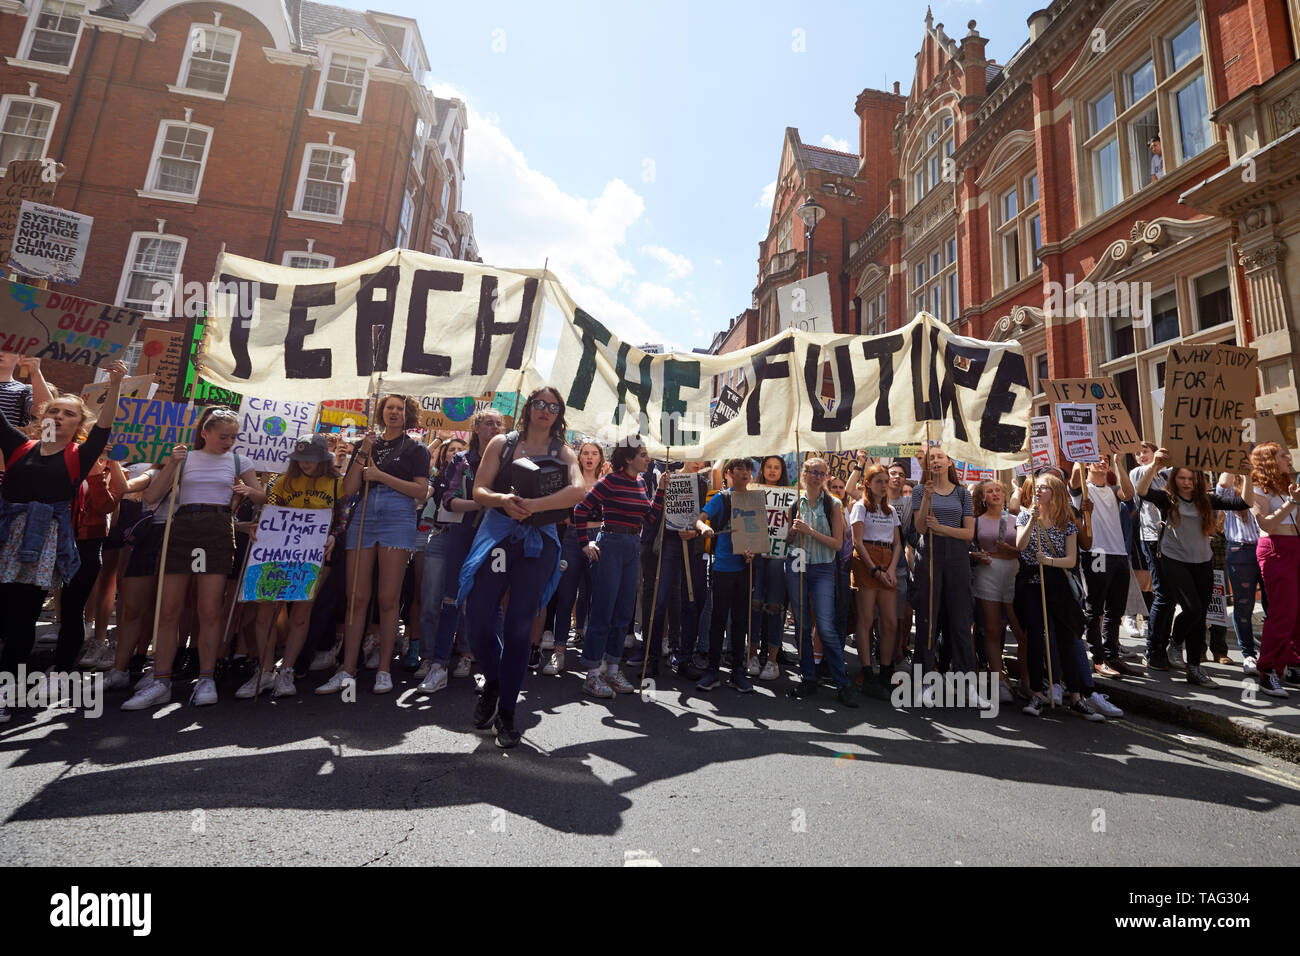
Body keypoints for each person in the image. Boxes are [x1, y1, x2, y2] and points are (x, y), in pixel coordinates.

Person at [457, 387, 584, 748]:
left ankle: (508, 713)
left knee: (517, 628)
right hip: (497, 533)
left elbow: (579, 491)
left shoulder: (564, 451)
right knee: (479, 616)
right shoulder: (501, 443)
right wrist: (503, 501)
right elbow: (480, 489)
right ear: (528, 409)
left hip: (538, 543)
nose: (546, 411)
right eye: (540, 404)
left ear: (559, 414)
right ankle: (493, 682)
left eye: (553, 407)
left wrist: (535, 504)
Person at [0, 361, 126, 723]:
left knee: (22, 619)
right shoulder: (20, 446)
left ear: (78, 425)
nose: (58, 415)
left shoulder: (79, 454)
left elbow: (105, 426)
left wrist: (115, 385)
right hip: (5, 536)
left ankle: (8, 694)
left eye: (68, 413)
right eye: (53, 409)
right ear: (43, 417)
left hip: (38, 545)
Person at [119, 406, 267, 710]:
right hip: (182, 525)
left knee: (209, 608)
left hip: (217, 528)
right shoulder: (183, 456)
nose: (229, 441)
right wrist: (172, 464)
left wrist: (248, 490)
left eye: (233, 436)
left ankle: (206, 677)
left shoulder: (240, 460)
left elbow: (263, 497)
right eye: (223, 436)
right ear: (205, 433)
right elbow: (151, 497)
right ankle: (161, 680)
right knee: (169, 608)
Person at [317, 395, 430, 696]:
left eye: (400, 408)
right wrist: (364, 450)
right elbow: (349, 489)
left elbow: (421, 491)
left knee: (387, 597)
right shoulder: (367, 445)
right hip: (365, 513)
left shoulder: (416, 448)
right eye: (389, 407)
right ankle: (347, 669)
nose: (394, 412)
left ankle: (383, 670)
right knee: (356, 596)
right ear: (381, 412)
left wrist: (381, 476)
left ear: (408, 414)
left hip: (397, 514)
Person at [236, 435, 342, 699]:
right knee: (265, 613)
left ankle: (288, 671)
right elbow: (269, 513)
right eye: (302, 459)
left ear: (323, 459)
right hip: (276, 553)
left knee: (300, 615)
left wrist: (334, 535)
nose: (307, 464)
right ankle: (265, 669)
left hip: (312, 554)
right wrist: (258, 528)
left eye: (312, 459)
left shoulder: (336, 483)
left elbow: (342, 517)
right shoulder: (281, 482)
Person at [1135, 448, 1250, 686]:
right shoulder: (1167, 498)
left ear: (1197, 481)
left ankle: (1194, 669)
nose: (1186, 483)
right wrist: (1155, 465)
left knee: (1199, 616)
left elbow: (1244, 502)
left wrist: (1246, 475)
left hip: (1202, 561)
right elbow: (1141, 491)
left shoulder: (1206, 499)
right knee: (1193, 609)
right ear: (1174, 479)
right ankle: (1176, 642)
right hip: (1174, 559)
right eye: (1181, 478)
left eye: (1190, 479)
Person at [1015, 474, 1121, 720]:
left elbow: (1072, 559)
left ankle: (1075, 697)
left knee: (1066, 638)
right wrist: (1031, 520)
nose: (1039, 491)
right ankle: (1038, 693)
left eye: (1045, 487)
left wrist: (1048, 560)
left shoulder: (1067, 522)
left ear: (1056, 492)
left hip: (1059, 584)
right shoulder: (1025, 515)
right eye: (1037, 487)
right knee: (1036, 638)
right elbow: (1021, 545)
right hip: (1032, 583)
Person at [417, 409, 503, 693]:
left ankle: (491, 668)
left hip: (495, 538)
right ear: (476, 428)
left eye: (499, 424)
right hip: (461, 534)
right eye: (489, 423)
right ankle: (440, 664)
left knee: (491, 604)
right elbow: (449, 500)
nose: (495, 427)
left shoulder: (510, 460)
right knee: (450, 599)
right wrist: (482, 501)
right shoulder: (461, 460)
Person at [573, 436, 664, 697]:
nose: (648, 459)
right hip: (610, 544)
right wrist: (584, 544)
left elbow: (650, 516)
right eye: (643, 454)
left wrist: (660, 492)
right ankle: (591, 673)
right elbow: (581, 510)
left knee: (623, 612)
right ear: (628, 458)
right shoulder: (610, 481)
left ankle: (611, 669)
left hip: (632, 546)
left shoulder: (640, 483)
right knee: (603, 610)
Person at [784, 456, 857, 707]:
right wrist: (792, 534)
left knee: (825, 627)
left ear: (826, 477)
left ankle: (842, 683)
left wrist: (810, 532)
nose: (815, 476)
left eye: (820, 473)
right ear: (803, 474)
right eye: (811, 472)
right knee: (802, 625)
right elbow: (787, 541)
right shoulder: (795, 502)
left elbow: (837, 544)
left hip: (824, 568)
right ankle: (808, 678)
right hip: (797, 564)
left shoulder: (833, 504)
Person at [911, 446, 977, 701]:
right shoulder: (919, 491)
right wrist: (927, 498)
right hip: (929, 556)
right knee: (928, 618)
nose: (936, 461)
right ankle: (925, 682)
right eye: (931, 459)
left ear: (949, 462)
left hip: (958, 558)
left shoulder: (962, 493)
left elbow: (969, 534)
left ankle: (967, 684)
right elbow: (919, 527)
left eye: (940, 457)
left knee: (961, 619)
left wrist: (941, 529)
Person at [1070, 455, 1141, 678]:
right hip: (1096, 553)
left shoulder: (1113, 490)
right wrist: (1080, 451)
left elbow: (1129, 494)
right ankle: (1098, 657)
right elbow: (1073, 478)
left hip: (1119, 553)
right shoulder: (1083, 488)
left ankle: (1112, 655)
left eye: (1105, 460)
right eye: (1097, 459)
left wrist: (1119, 463)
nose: (1102, 462)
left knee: (1116, 608)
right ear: (1088, 464)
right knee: (1095, 606)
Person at [696, 458, 758, 693]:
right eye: (739, 469)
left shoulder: (755, 500)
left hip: (745, 569)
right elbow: (700, 520)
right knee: (718, 620)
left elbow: (758, 533)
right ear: (729, 474)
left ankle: (738, 672)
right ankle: (712, 670)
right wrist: (705, 529)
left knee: (741, 620)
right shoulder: (722, 498)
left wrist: (754, 552)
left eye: (748, 469)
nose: (745, 473)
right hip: (722, 567)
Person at [544, 440, 603, 676]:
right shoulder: (571, 480)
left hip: (598, 536)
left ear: (600, 457)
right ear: (579, 457)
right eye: (586, 453)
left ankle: (593, 656)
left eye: (594, 453)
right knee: (566, 593)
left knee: (595, 596)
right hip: (571, 537)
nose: (589, 457)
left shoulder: (606, 481)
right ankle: (559, 651)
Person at [409, 436, 465, 682]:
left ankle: (465, 653)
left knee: (463, 603)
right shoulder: (438, 478)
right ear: (443, 457)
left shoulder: (475, 476)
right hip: (440, 537)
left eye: (459, 450)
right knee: (430, 601)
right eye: (450, 450)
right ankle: (428, 657)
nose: (455, 453)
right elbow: (425, 493)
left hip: (466, 540)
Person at [1248, 442, 1299, 698]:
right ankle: (1267, 671)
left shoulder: (1288, 485)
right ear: (1269, 460)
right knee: (1283, 612)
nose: (1288, 459)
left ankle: (1293, 664)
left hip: (1296, 546)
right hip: (1275, 549)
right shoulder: (1257, 488)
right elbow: (1266, 523)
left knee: (1298, 611)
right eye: (1282, 455)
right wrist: (1291, 502)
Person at [970, 479, 1025, 701]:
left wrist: (1012, 551)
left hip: (1013, 573)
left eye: (998, 490)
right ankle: (998, 678)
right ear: (982, 497)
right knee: (992, 629)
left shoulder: (1017, 519)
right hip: (987, 573)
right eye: (989, 491)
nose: (995, 494)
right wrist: (975, 555)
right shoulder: (975, 522)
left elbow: (1026, 550)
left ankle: (1027, 680)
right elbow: (968, 549)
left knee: (1021, 631)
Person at [850, 463, 901, 696]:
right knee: (866, 619)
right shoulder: (861, 507)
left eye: (885, 481)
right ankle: (866, 669)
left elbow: (898, 543)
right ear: (868, 483)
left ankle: (886, 668)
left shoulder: (892, 511)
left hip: (887, 558)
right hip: (866, 560)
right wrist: (874, 570)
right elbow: (857, 542)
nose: (884, 485)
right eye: (879, 481)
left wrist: (890, 570)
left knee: (890, 621)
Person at [1218, 471, 1265, 677]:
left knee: (1272, 604)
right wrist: (1233, 457)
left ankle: (1273, 653)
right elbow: (1221, 483)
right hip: (1241, 551)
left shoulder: (1265, 487)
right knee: (1243, 604)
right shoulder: (1231, 493)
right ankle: (1248, 654)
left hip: (1267, 548)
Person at [747, 455, 790, 679]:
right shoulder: (752, 491)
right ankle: (752, 655)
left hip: (778, 557)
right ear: (762, 469)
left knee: (775, 606)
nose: (773, 471)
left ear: (782, 471)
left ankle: (772, 660)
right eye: (769, 467)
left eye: (777, 467)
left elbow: (791, 527)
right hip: (755, 555)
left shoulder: (790, 496)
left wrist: (792, 532)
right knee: (754, 604)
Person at [0, 353, 52, 429]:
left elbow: (45, 414)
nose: (1, 353)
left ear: (20, 357)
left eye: (7, 350)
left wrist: (35, 372)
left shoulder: (25, 391)